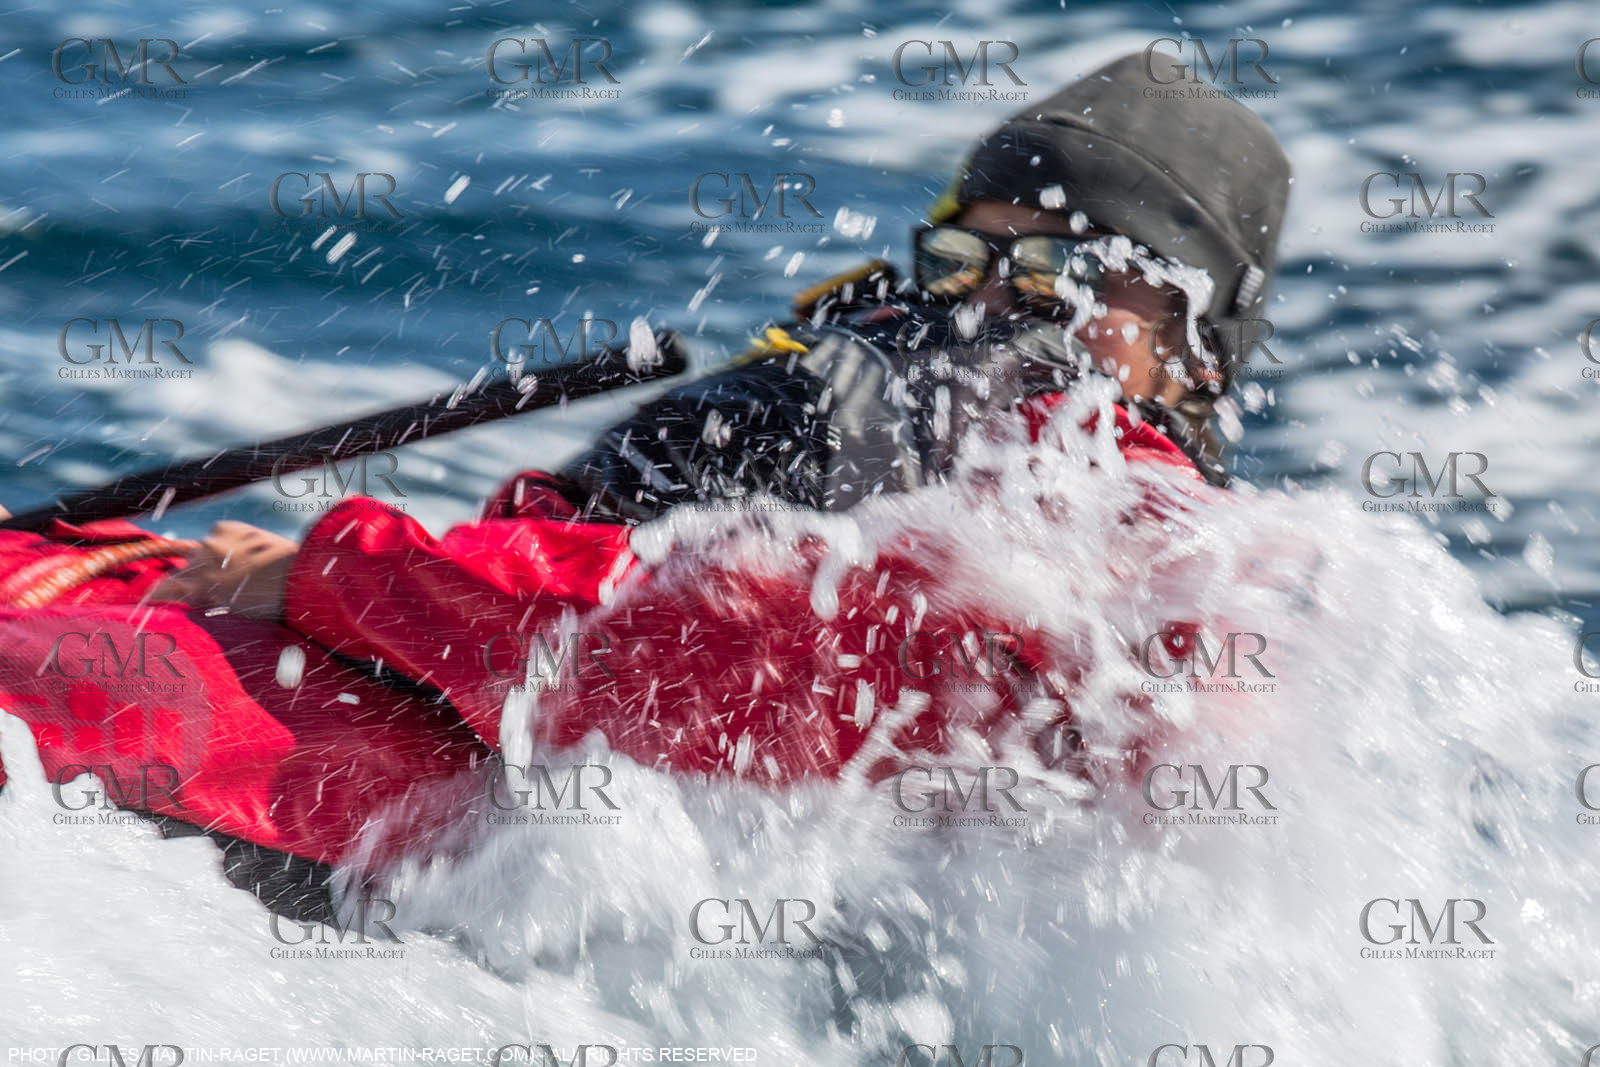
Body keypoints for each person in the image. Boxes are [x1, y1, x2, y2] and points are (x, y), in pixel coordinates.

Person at [0, 52, 1290, 872]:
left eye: (1063, 280)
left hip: (539, 844)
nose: (995, 311)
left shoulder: (1118, 555)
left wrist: (335, 569)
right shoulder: (914, 437)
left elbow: (704, 658)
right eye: (971, 264)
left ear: (1194, 346)